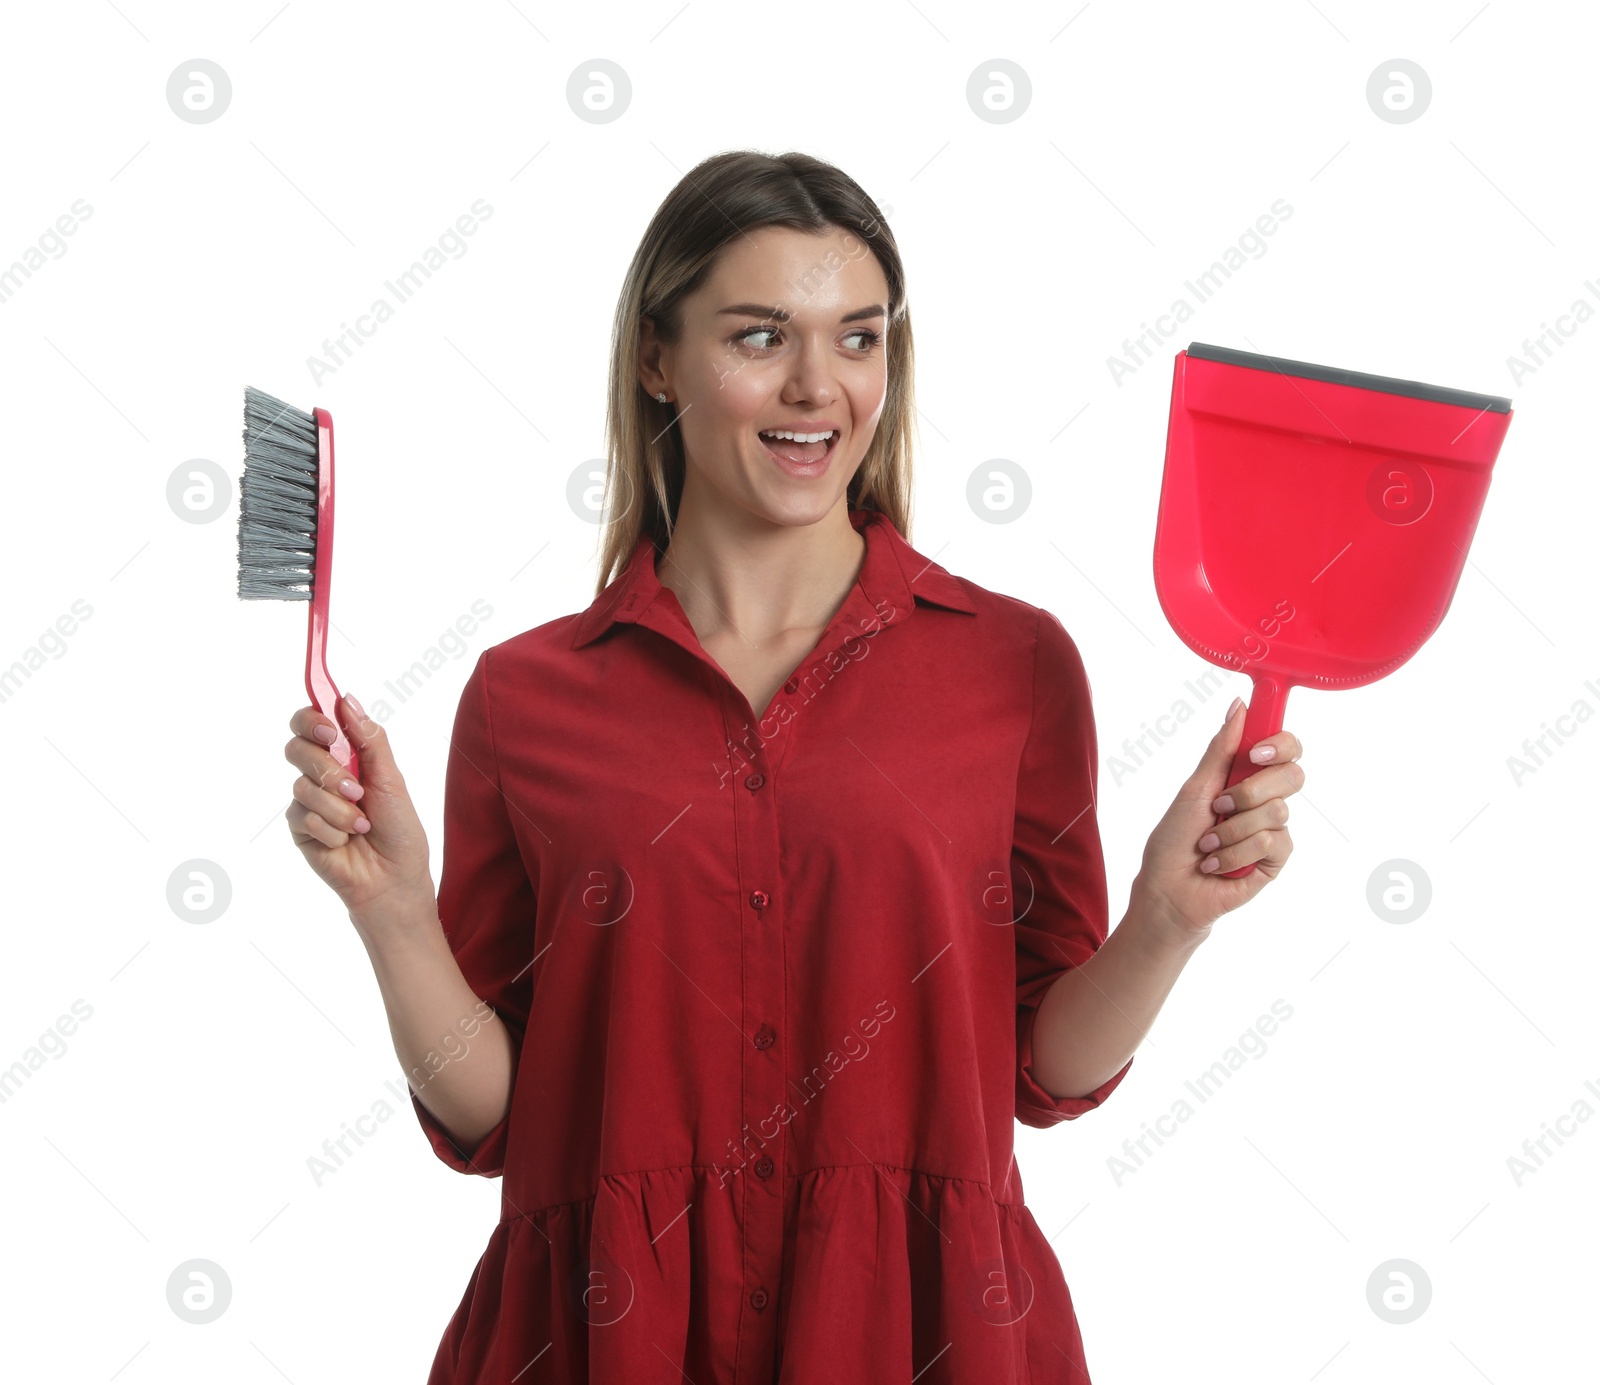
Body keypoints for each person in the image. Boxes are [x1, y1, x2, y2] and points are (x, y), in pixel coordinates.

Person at [282, 150, 1303, 1384]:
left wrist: (1163, 921)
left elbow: (1042, 1072)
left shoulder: (1013, 666)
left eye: (858, 338)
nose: (819, 385)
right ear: (658, 359)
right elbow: (495, 1111)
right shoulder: (524, 695)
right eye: (760, 335)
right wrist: (389, 909)